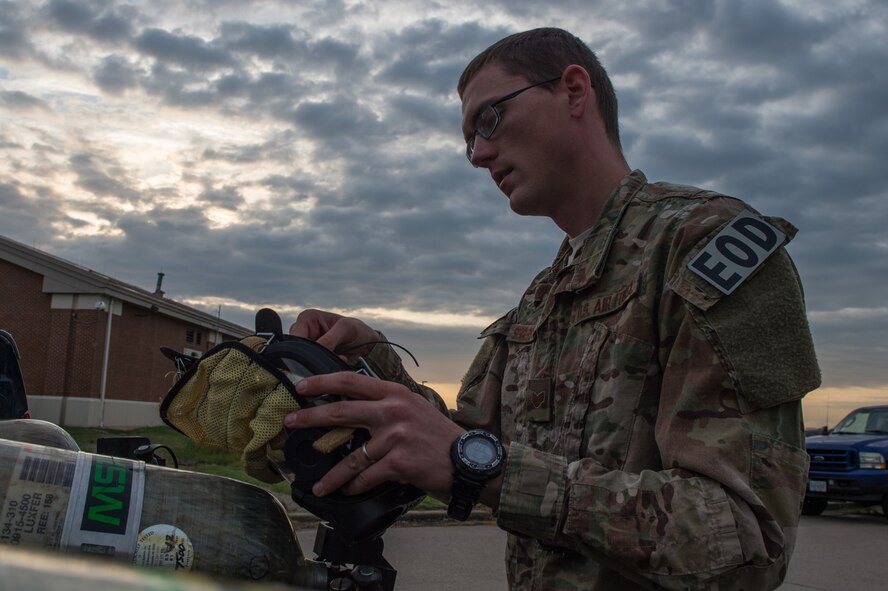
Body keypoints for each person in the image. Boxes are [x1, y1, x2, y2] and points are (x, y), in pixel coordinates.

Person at [284, 28, 821, 590]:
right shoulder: (545, 294)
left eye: (488, 120)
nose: (479, 155)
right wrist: (364, 367)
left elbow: (744, 542)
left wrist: (485, 469)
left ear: (572, 90)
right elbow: (462, 441)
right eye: (469, 142)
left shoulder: (704, 244)